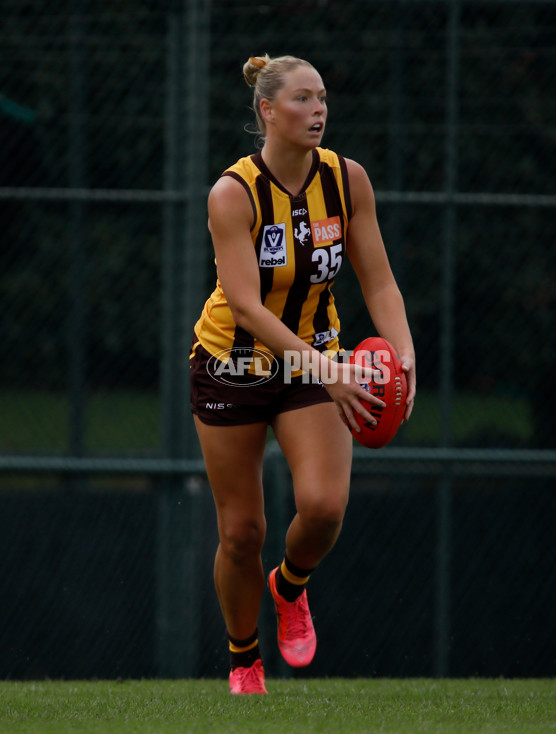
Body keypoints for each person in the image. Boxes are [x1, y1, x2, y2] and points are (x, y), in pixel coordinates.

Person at [189, 54, 416, 695]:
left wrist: (402, 353)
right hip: (234, 363)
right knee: (241, 532)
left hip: (314, 359)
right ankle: (244, 660)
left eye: (322, 98)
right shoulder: (233, 192)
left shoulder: (347, 180)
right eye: (301, 99)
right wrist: (327, 367)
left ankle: (289, 586)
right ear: (267, 110)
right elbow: (246, 307)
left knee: (321, 508)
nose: (318, 110)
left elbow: (378, 279)